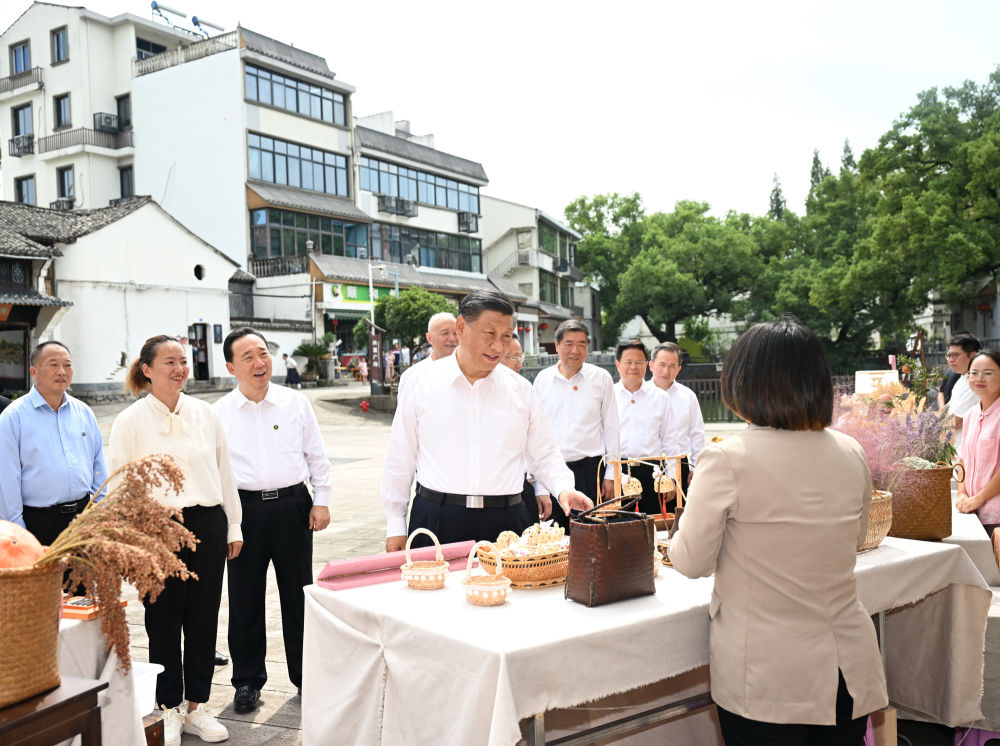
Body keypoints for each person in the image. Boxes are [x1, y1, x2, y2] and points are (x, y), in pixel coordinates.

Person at [670, 318, 888, 745]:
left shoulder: (728, 459)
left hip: (769, 677)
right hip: (846, 667)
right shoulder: (851, 451)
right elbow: (858, 539)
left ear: (744, 384)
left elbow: (690, 561)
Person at [381, 290, 594, 552]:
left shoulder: (521, 390)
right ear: (461, 327)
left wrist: (563, 488)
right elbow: (400, 458)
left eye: (506, 336)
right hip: (436, 518)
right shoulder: (420, 384)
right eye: (489, 334)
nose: (498, 346)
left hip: (507, 522)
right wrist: (395, 526)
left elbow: (545, 453)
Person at [108, 335, 243, 746]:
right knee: (162, 620)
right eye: (169, 362)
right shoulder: (129, 421)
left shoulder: (205, 413)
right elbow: (120, 486)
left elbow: (225, 474)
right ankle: (167, 708)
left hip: (207, 523)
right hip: (156, 529)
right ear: (147, 370)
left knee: (203, 618)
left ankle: (196, 707)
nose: (180, 369)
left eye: (184, 361)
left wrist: (234, 527)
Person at [215, 328, 332, 714]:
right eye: (247, 357)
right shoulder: (219, 414)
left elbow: (316, 455)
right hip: (244, 511)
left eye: (262, 353)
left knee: (298, 594)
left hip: (293, 506)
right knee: (245, 597)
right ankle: (247, 680)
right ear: (232, 367)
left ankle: (306, 676)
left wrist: (322, 500)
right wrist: (228, 522)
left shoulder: (295, 403)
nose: (258, 362)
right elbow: (215, 470)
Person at [0, 341, 106, 544]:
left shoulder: (84, 412)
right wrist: (18, 534)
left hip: (82, 519)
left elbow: (98, 465)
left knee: (82, 576)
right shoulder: (13, 417)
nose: (62, 371)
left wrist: (99, 513)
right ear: (34, 371)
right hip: (37, 522)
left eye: (67, 365)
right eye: (53, 364)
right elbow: (6, 480)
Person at [533, 320, 618, 530]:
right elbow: (535, 434)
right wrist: (539, 486)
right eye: (569, 343)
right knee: (553, 537)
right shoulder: (543, 380)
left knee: (592, 535)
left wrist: (611, 475)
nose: (575, 350)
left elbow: (612, 429)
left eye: (582, 344)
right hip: (552, 470)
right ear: (556, 345)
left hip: (590, 470)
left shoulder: (601, 378)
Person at [613, 340, 676, 515]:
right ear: (618, 365)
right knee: (618, 526)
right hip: (618, 470)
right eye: (628, 362)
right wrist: (608, 477)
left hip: (653, 472)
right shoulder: (609, 396)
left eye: (638, 362)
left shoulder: (661, 397)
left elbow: (670, 441)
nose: (633, 366)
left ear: (647, 365)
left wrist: (672, 478)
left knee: (653, 526)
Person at [956, 349, 1000, 552]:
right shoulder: (971, 415)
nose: (979, 378)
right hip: (971, 513)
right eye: (974, 373)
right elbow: (963, 460)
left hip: (995, 516)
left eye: (988, 373)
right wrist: (963, 494)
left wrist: (979, 499)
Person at [651, 342, 705, 501]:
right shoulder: (641, 395)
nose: (666, 371)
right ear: (651, 365)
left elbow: (697, 435)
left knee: (679, 518)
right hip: (648, 463)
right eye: (661, 365)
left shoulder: (687, 396)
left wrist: (697, 467)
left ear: (679, 369)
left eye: (672, 366)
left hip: (680, 464)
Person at [947, 332, 982, 451]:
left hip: (972, 450)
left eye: (955, 355)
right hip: (960, 448)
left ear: (972, 355)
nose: (951, 360)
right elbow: (947, 410)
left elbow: (956, 421)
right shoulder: (962, 379)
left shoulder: (978, 382)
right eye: (949, 355)